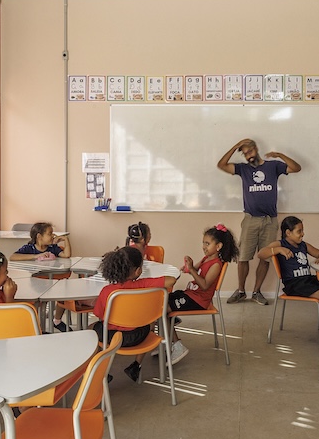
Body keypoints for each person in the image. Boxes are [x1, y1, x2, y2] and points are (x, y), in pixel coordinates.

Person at [217, 138, 301, 305]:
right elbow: (222, 165)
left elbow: (296, 168)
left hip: (270, 221)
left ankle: (257, 292)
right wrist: (235, 146)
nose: (248, 156)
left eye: (250, 151)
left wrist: (280, 155)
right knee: (243, 257)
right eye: (245, 153)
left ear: (256, 149)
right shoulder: (243, 169)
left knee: (265, 258)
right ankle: (241, 291)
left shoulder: (273, 166)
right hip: (250, 220)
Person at [91, 245, 177, 381]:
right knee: (150, 322)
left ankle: (101, 371)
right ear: (138, 271)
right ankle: (136, 365)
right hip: (138, 336)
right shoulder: (143, 285)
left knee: (92, 328)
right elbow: (171, 280)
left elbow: (100, 316)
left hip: (112, 338)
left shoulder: (107, 291)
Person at [168, 224, 239, 364]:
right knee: (162, 300)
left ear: (218, 246)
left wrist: (191, 270)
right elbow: (195, 270)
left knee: (163, 308)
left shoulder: (216, 264)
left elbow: (205, 285)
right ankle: (169, 339)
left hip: (198, 300)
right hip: (190, 294)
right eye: (203, 243)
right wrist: (188, 267)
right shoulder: (206, 259)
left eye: (207, 243)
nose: (204, 246)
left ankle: (177, 345)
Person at [257, 215, 319, 308]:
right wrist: (278, 249)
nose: (303, 234)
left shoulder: (303, 245)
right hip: (294, 284)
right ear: (288, 233)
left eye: (302, 231)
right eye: (299, 231)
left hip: (307, 280)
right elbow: (261, 254)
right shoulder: (280, 244)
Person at [11, 222, 72, 329]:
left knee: (64, 294)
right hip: (36, 283)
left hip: (53, 280)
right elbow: (13, 257)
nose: (53, 236)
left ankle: (57, 320)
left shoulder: (52, 248)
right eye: (50, 233)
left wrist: (66, 239)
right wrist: (36, 256)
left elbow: (66, 255)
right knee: (36, 301)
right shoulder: (29, 248)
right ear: (39, 236)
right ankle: (35, 325)